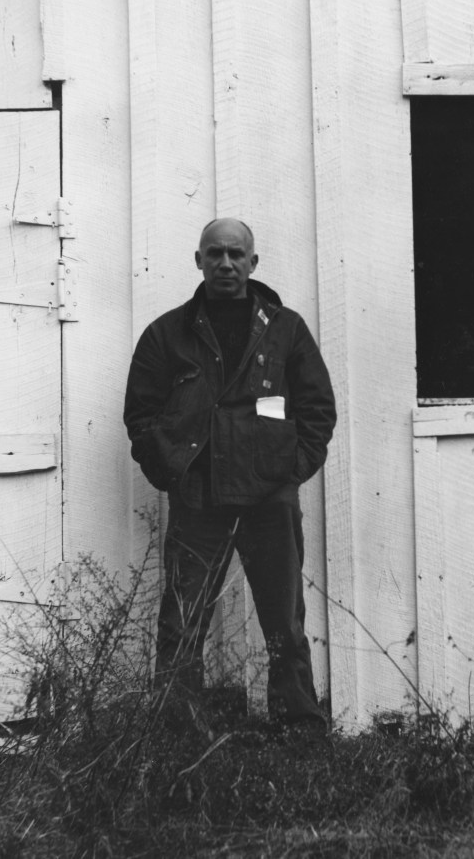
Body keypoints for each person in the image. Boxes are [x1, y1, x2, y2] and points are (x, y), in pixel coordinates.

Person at [124, 218, 336, 729]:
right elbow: (141, 416)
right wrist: (175, 473)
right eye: (215, 253)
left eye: (236, 254)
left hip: (270, 499)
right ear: (198, 260)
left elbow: (318, 410)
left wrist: (288, 471)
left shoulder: (286, 330)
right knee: (182, 620)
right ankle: (177, 734)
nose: (225, 263)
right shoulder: (165, 333)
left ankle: (300, 731)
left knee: (284, 621)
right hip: (199, 499)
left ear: (253, 263)